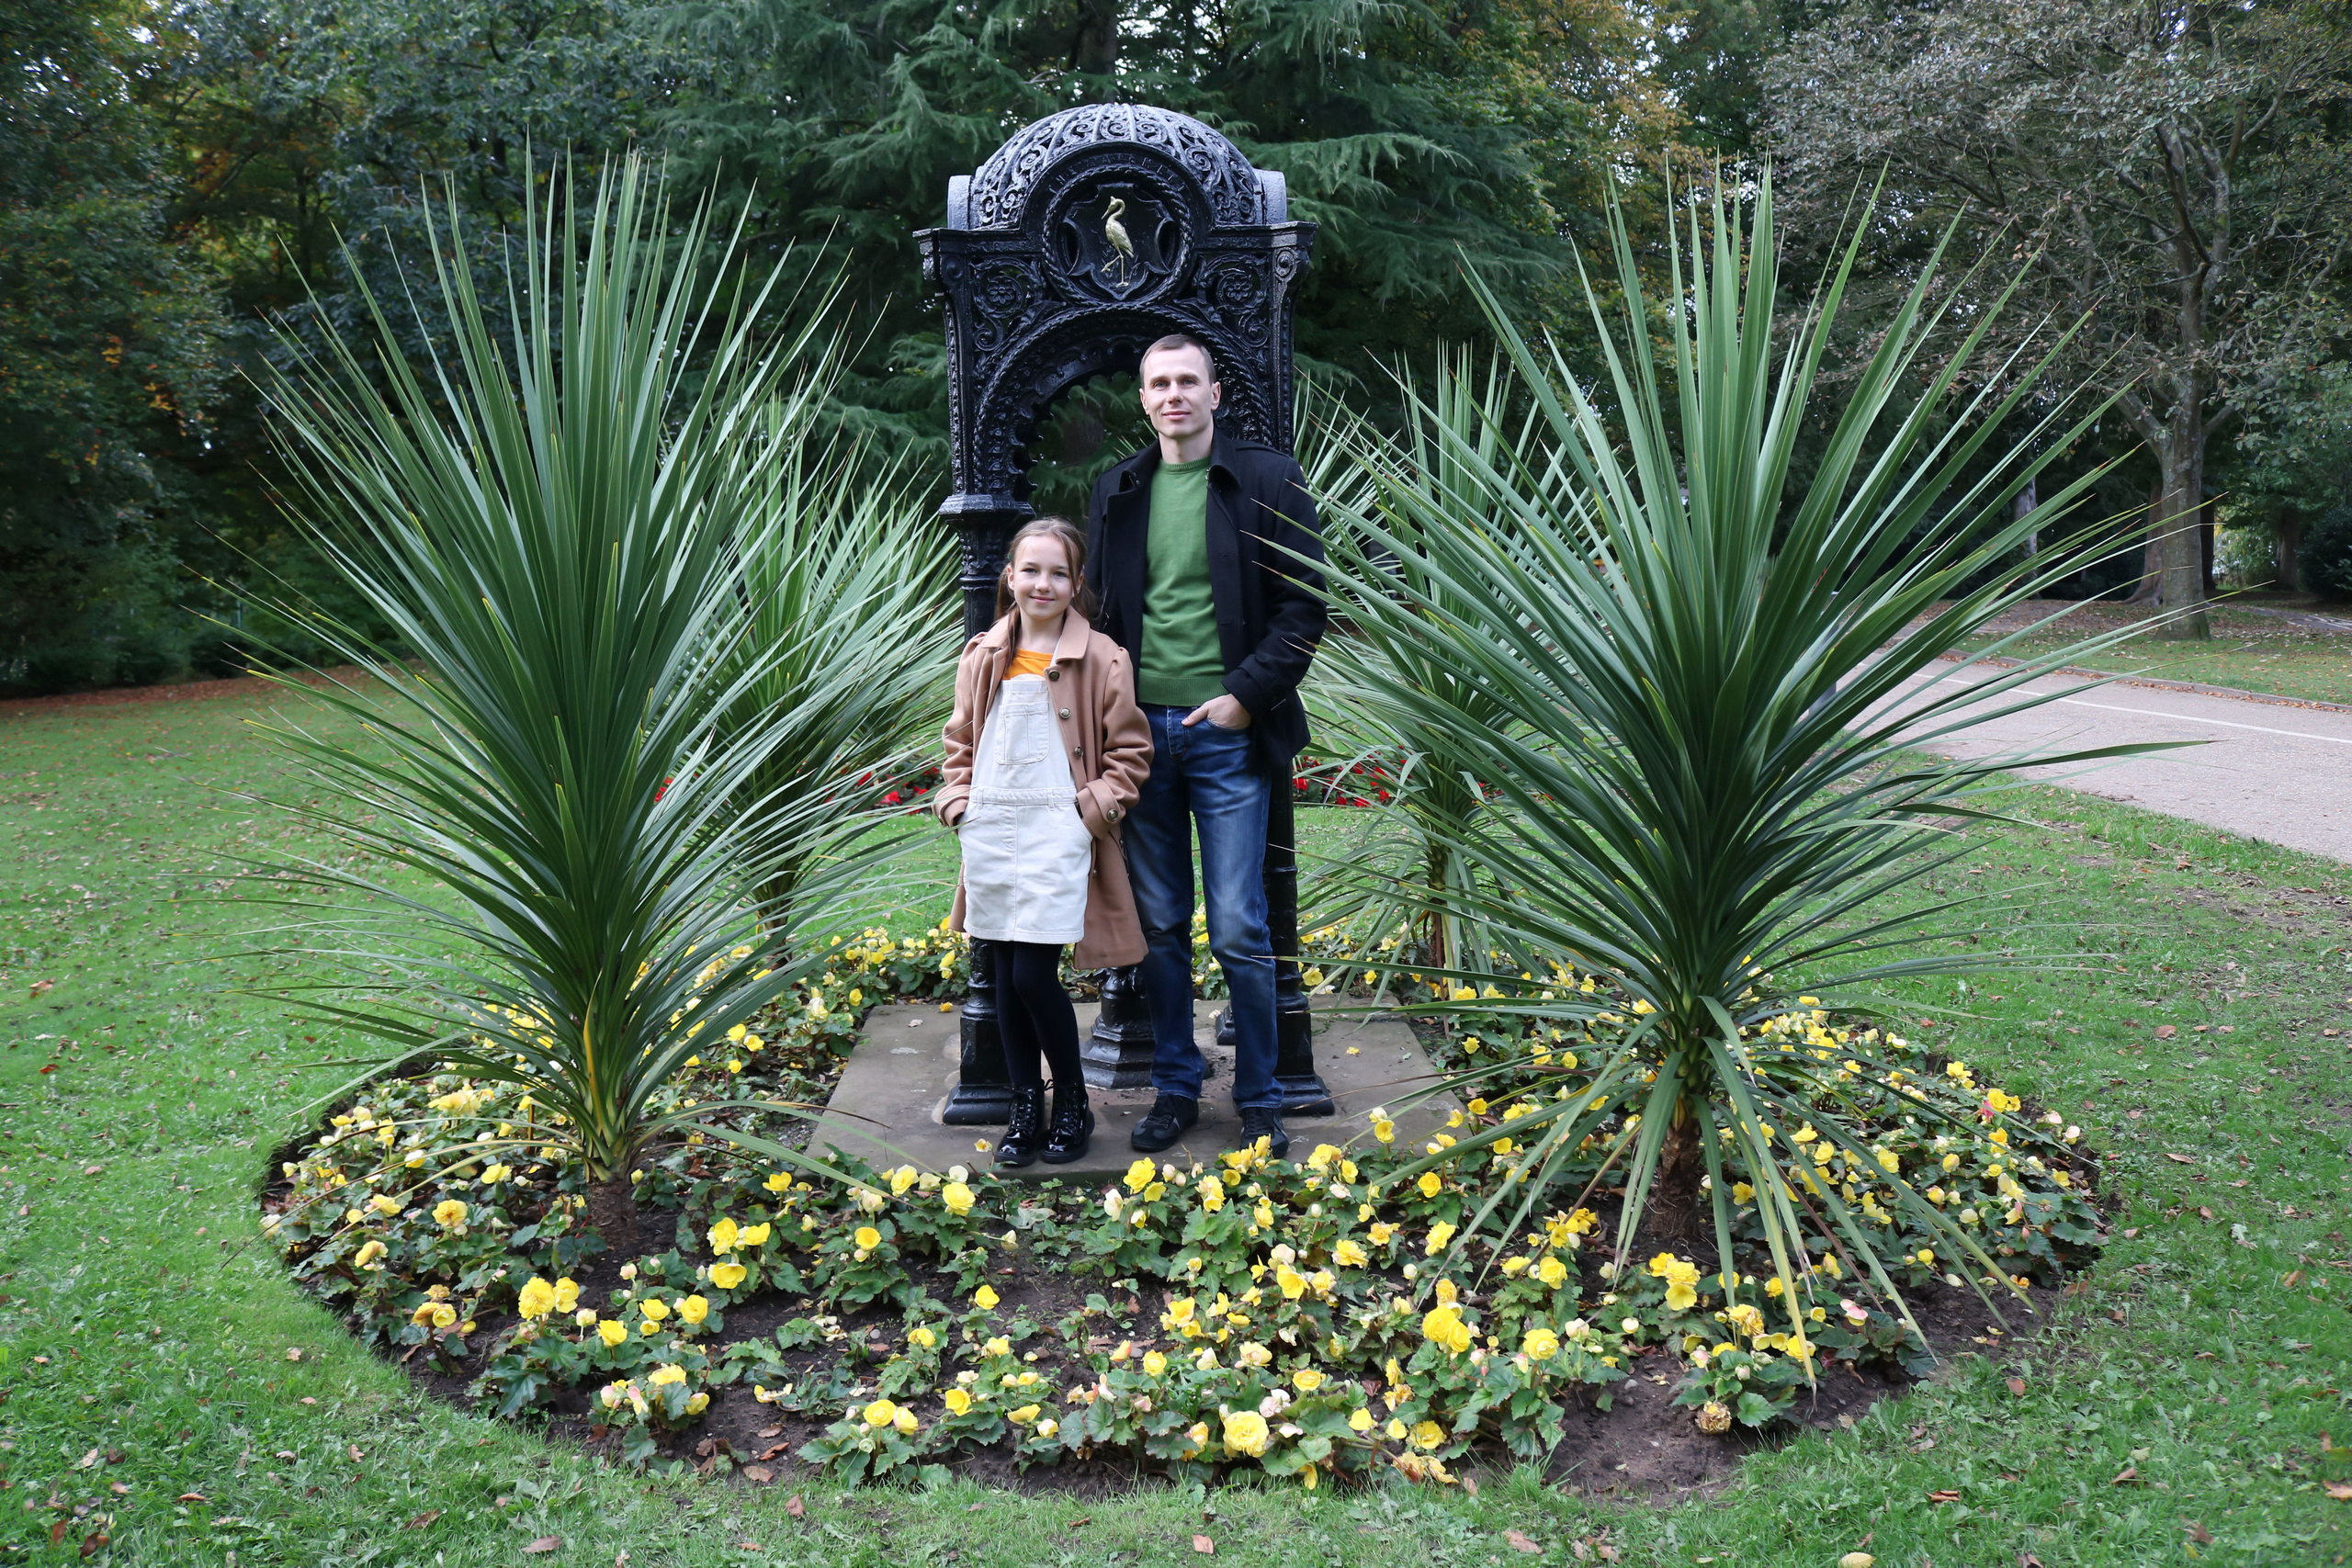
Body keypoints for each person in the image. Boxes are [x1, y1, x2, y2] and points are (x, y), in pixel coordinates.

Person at [1083, 333, 1327, 1158]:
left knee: (1238, 930)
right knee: (1157, 928)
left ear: (1214, 395)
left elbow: (1304, 610)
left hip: (1224, 733)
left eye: (1189, 381)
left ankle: (1260, 1098)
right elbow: (1094, 612)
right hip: (1137, 738)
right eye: (1159, 382)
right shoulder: (1115, 487)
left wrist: (1241, 699)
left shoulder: (1266, 478)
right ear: (1144, 399)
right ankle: (1178, 1090)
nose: (1174, 395)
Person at [937, 517, 1155, 1166]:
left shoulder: (1103, 658)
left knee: (1033, 971)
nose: (1043, 583)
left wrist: (1088, 813)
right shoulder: (983, 655)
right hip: (993, 829)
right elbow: (960, 742)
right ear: (1009, 576)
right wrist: (959, 803)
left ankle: (1074, 1100)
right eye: (1030, 569)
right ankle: (1026, 1104)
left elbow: (1131, 754)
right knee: (1003, 971)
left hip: (1058, 832)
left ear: (1076, 582)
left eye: (1058, 572)